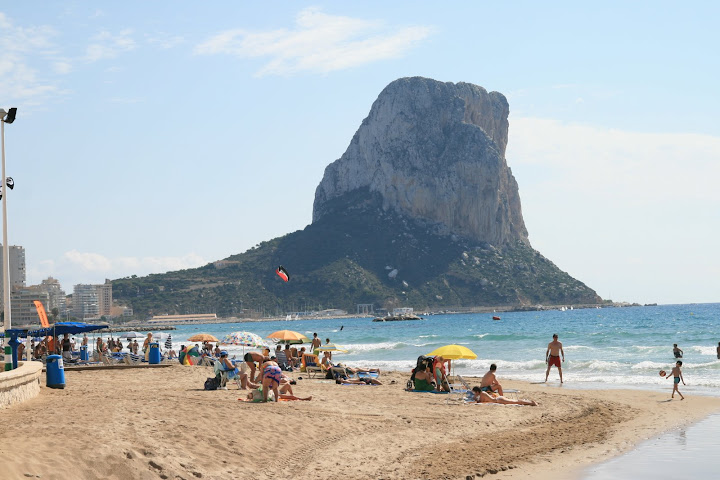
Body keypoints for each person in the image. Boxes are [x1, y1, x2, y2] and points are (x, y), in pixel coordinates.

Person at [471, 386, 537, 406]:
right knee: (515, 401)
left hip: (499, 400)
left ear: (477, 392)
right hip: (499, 399)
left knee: (516, 402)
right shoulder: (482, 393)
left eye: (474, 392)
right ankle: (529, 402)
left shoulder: (482, 393)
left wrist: (475, 397)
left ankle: (531, 402)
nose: (474, 394)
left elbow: (480, 402)